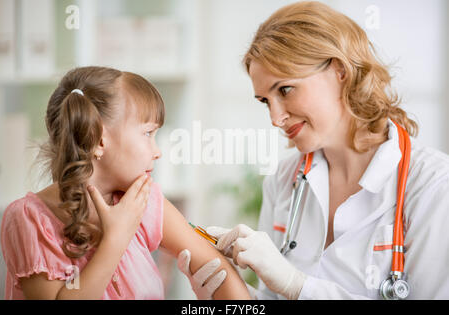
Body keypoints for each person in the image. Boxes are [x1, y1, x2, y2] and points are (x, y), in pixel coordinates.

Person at [180, 1, 449, 299]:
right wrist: (225, 294)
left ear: (340, 71)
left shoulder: (433, 185)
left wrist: (297, 285)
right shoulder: (283, 181)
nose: (275, 118)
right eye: (265, 101)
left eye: (285, 90)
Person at [0, 66, 251, 300]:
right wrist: (116, 238)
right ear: (99, 140)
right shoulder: (29, 219)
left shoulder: (143, 198)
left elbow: (218, 270)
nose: (157, 151)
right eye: (148, 133)